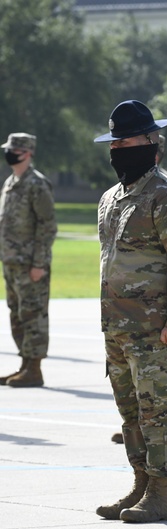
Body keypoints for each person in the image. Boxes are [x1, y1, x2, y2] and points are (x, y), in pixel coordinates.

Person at [92, 100, 167, 523]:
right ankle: (140, 484)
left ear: (152, 143)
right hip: (116, 326)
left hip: (154, 328)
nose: (119, 149)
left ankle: (161, 493)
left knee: (157, 408)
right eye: (115, 142)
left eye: (129, 142)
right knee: (130, 411)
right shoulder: (111, 198)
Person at [0, 133, 56, 388]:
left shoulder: (37, 184)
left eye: (15, 150)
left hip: (30, 263)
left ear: (27, 152)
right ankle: (24, 365)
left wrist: (39, 263)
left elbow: (47, 226)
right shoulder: (11, 182)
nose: (9, 153)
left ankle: (35, 369)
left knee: (33, 314)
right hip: (11, 261)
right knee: (17, 314)